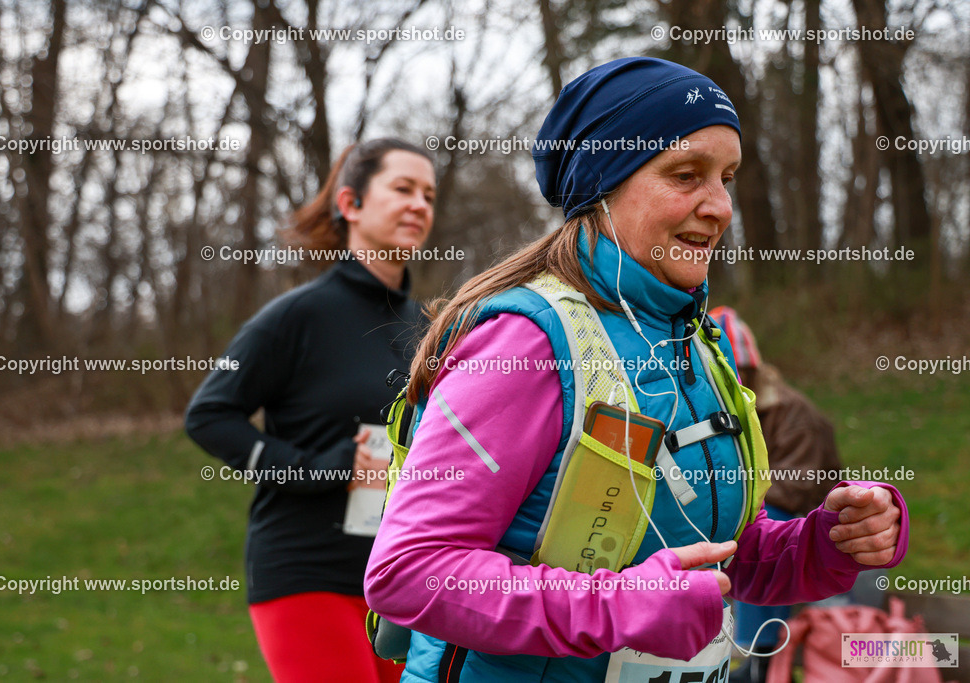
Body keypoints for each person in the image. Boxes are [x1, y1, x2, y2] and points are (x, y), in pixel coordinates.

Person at [363, 58, 908, 682]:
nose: (721, 207)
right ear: (604, 185)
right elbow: (407, 572)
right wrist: (619, 607)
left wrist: (823, 543)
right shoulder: (526, 342)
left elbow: (719, 552)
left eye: (726, 177)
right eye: (686, 175)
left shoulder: (698, 344)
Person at [185, 138, 436, 682]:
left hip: (398, 576)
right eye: (402, 189)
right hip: (306, 571)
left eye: (429, 195)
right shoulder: (297, 316)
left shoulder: (427, 327)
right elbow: (208, 415)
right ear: (351, 205)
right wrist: (320, 467)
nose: (420, 204)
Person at [708, 306, 844, 682]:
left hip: (808, 521)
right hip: (748, 514)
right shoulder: (716, 410)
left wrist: (733, 497)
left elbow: (795, 488)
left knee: (763, 535)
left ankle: (760, 655)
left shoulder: (793, 414)